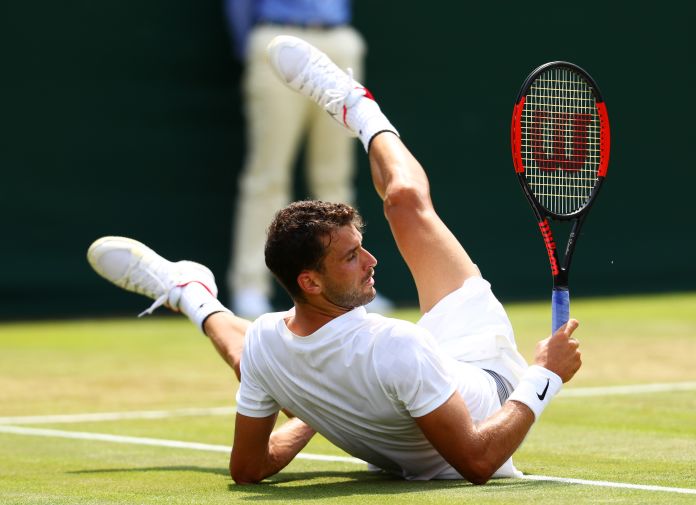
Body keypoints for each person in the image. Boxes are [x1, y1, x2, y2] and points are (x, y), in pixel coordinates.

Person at [87, 36, 582, 484]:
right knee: (259, 360)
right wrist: (544, 375)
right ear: (311, 281)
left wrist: (315, 410)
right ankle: (188, 290)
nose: (371, 260)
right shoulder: (396, 344)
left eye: (360, 246)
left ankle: (357, 110)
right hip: (488, 375)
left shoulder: (275, 342)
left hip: (426, 374)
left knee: (402, 204)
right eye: (350, 256)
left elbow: (248, 469)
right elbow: (477, 461)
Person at [223, 0, 392, 316]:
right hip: (274, 40)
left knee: (334, 176)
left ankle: (350, 285)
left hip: (338, 44)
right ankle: (250, 287)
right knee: (267, 175)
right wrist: (251, 45)